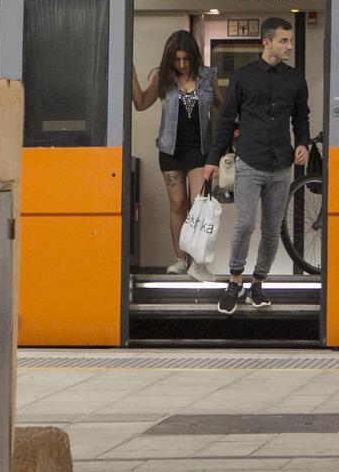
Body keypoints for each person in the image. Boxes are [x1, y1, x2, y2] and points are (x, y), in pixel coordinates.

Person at [204, 17, 310, 313]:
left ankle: (258, 283)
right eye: (284, 41)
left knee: (272, 229)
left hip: (281, 164)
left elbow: (301, 116)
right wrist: (213, 159)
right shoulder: (242, 77)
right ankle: (235, 280)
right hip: (249, 162)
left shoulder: (295, 79)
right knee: (245, 225)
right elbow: (226, 120)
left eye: (289, 41)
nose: (288, 46)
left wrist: (301, 142)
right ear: (267, 43)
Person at [133, 29, 222, 282]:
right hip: (170, 149)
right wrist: (128, 68)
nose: (182, 65)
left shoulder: (208, 76)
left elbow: (222, 107)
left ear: (193, 56)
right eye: (176, 60)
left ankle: (199, 263)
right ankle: (180, 259)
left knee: (199, 206)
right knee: (177, 205)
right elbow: (140, 103)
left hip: (199, 149)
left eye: (186, 59)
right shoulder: (163, 77)